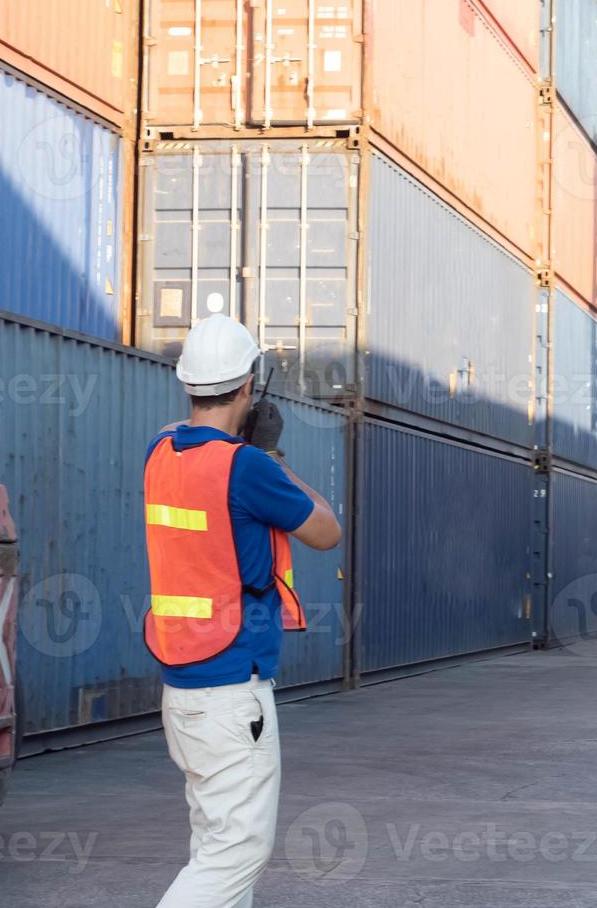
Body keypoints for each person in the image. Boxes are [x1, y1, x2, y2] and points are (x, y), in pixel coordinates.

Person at [143, 314, 341, 908]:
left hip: (184, 691)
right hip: (232, 693)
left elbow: (189, 436)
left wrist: (238, 440)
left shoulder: (161, 452)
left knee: (215, 845)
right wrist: (269, 454)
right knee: (237, 854)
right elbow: (327, 530)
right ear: (250, 386)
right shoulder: (247, 467)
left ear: (189, 385)